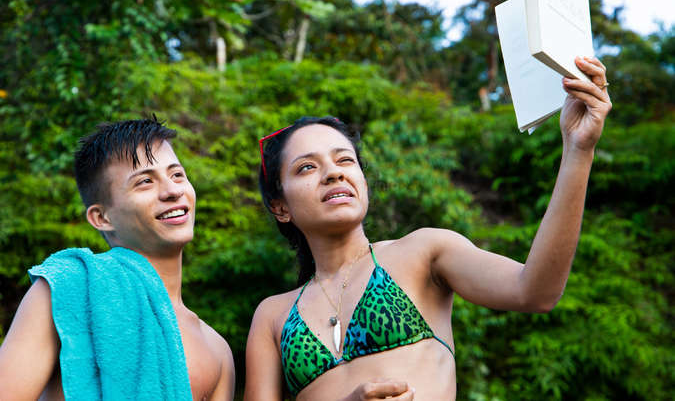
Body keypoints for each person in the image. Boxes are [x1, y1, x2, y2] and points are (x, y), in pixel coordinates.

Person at [244, 56, 612, 401]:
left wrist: (578, 150)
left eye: (345, 160)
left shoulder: (422, 252)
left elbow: (535, 291)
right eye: (307, 167)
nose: (334, 172)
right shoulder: (273, 316)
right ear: (280, 207)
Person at [0, 118, 235, 400]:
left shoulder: (216, 348)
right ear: (101, 217)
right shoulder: (67, 291)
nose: (173, 191)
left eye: (177, 175)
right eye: (145, 182)